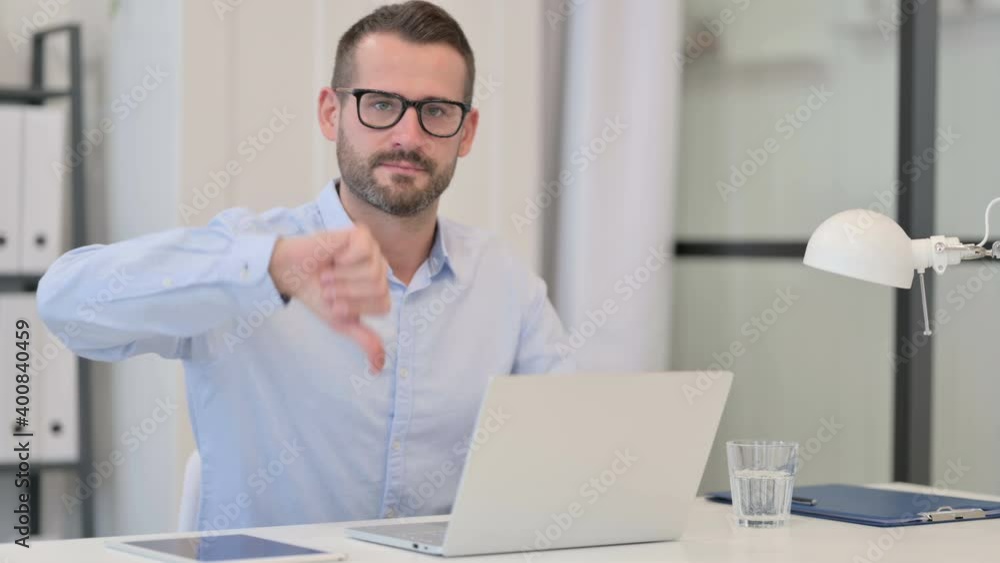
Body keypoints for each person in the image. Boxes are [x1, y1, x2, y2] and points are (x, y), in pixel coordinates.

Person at [37, 0, 571, 531]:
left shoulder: (505, 284)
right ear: (330, 113)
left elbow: (568, 456)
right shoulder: (247, 256)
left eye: (435, 111)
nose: (408, 137)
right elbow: (64, 304)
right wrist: (268, 268)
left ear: (467, 131)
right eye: (380, 104)